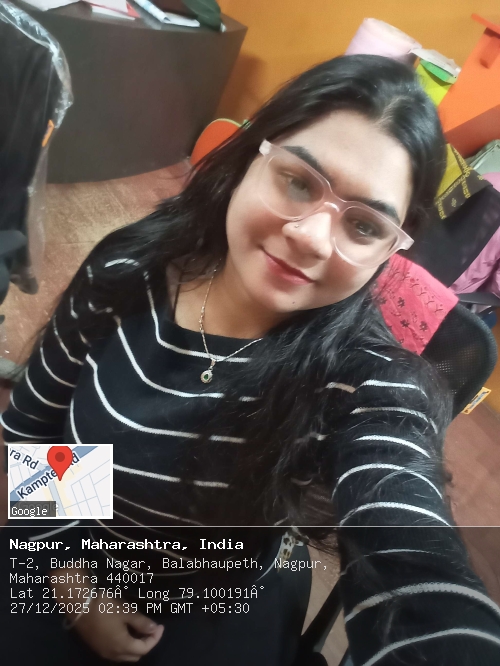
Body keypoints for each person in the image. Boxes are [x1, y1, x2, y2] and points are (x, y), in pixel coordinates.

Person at [2, 55, 500, 665]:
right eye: (299, 182)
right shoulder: (128, 272)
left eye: (365, 226)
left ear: (388, 251)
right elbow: (34, 427)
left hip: (222, 594)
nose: (311, 237)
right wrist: (73, 584)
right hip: (72, 548)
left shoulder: (362, 375)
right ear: (249, 160)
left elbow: (409, 541)